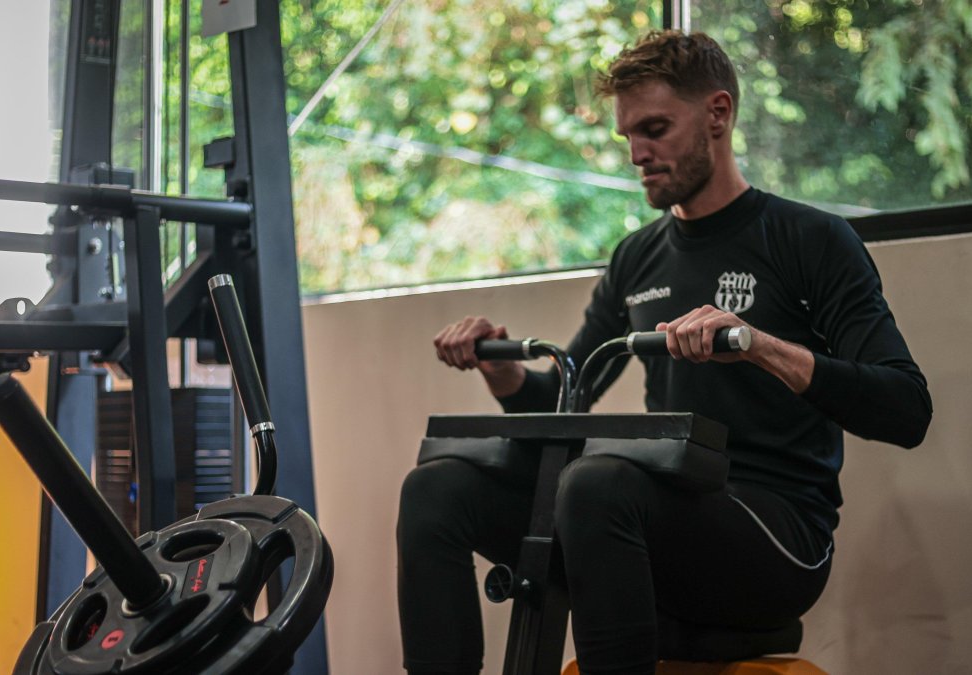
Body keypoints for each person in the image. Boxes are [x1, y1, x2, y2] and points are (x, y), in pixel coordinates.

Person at [397, 30, 933, 675]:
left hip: (777, 535)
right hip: (647, 518)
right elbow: (567, 400)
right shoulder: (636, 257)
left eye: (654, 129)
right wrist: (504, 370)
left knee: (598, 483)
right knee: (438, 489)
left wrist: (762, 347)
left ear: (718, 114)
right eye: (628, 137)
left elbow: (906, 410)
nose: (637, 155)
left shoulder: (810, 239)